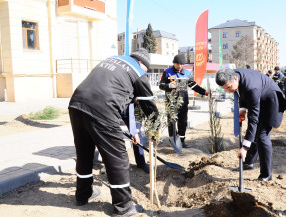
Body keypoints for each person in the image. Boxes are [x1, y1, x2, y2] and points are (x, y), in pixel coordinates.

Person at [68, 48, 159, 216]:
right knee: (118, 158)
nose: (146, 72)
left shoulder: (113, 60)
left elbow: (127, 104)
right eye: (147, 69)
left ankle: (82, 194)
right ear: (142, 63)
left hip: (76, 104)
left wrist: (134, 131)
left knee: (84, 153)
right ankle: (123, 207)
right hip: (102, 108)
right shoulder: (139, 71)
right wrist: (155, 130)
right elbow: (149, 106)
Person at [215, 68, 286, 181]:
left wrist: (244, 148)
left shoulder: (252, 87)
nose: (228, 91)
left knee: (262, 136)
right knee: (254, 134)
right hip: (259, 99)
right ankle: (249, 163)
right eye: (224, 89)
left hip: (271, 102)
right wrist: (243, 109)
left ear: (235, 79)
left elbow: (253, 120)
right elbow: (242, 92)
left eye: (229, 87)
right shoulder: (235, 74)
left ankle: (266, 174)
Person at [159, 54, 208, 148]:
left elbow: (193, 85)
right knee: (172, 122)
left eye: (182, 64)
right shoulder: (167, 72)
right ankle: (173, 141)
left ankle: (182, 141)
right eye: (178, 64)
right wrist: (168, 86)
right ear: (174, 63)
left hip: (183, 102)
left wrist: (204, 92)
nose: (180, 66)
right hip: (171, 103)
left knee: (183, 122)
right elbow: (161, 85)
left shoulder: (187, 73)